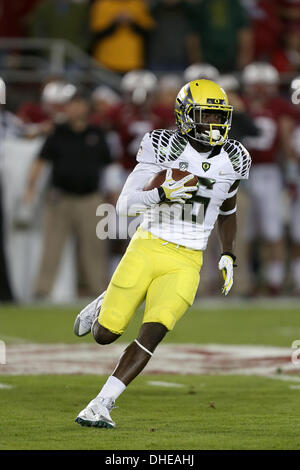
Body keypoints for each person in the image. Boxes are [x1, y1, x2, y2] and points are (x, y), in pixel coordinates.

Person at [73, 79, 251, 428]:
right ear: (186, 116)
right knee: (105, 335)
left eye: (219, 115)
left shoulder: (235, 157)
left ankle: (101, 403)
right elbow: (124, 206)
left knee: (155, 330)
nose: (214, 125)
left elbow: (227, 210)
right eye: (205, 115)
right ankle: (104, 302)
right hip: (149, 245)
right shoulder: (164, 146)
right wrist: (161, 194)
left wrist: (228, 253)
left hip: (188, 259)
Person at [23, 92, 112, 298]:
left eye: (79, 104)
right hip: (60, 197)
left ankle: (99, 292)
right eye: (71, 104)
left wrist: (113, 194)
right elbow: (41, 160)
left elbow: (109, 166)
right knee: (52, 246)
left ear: (86, 108)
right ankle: (42, 290)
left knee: (94, 248)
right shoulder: (58, 133)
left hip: (91, 198)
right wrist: (31, 187)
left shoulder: (97, 133)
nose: (75, 109)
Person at [242, 62, 298, 295]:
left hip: (270, 171)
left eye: (264, 85)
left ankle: (275, 281)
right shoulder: (240, 105)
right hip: (244, 173)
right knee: (247, 231)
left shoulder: (279, 107)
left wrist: (290, 173)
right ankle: (250, 279)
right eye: (256, 85)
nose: (260, 90)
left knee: (273, 229)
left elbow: (285, 142)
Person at [89, 0, 155, 73]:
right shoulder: (102, 4)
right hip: (105, 61)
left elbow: (147, 32)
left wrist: (132, 22)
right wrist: (115, 22)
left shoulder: (138, 4)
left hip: (133, 62)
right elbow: (97, 34)